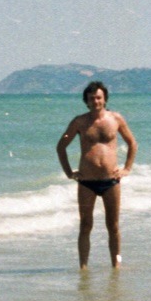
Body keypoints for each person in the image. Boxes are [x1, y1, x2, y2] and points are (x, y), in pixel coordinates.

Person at [56, 81, 137, 269]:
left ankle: (116, 266)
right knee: (85, 225)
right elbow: (61, 146)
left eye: (99, 97)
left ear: (105, 99)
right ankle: (83, 267)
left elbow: (132, 143)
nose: (95, 101)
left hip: (111, 181)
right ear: (86, 100)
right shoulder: (79, 122)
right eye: (91, 98)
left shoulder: (116, 119)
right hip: (86, 182)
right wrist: (68, 172)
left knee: (113, 226)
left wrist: (127, 168)